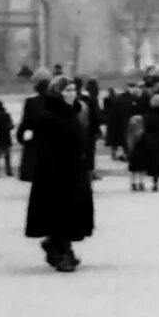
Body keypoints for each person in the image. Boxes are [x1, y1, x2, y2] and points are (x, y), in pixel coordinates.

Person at [25, 77, 96, 272]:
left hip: (75, 169)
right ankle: (61, 250)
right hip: (54, 172)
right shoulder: (48, 116)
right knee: (59, 212)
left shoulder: (74, 112)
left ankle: (60, 246)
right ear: (58, 93)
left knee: (73, 212)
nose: (72, 93)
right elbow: (38, 141)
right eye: (67, 90)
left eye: (74, 89)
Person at [0, 101, 14, 177]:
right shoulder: (7, 115)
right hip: (7, 138)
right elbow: (11, 126)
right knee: (7, 156)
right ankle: (9, 171)